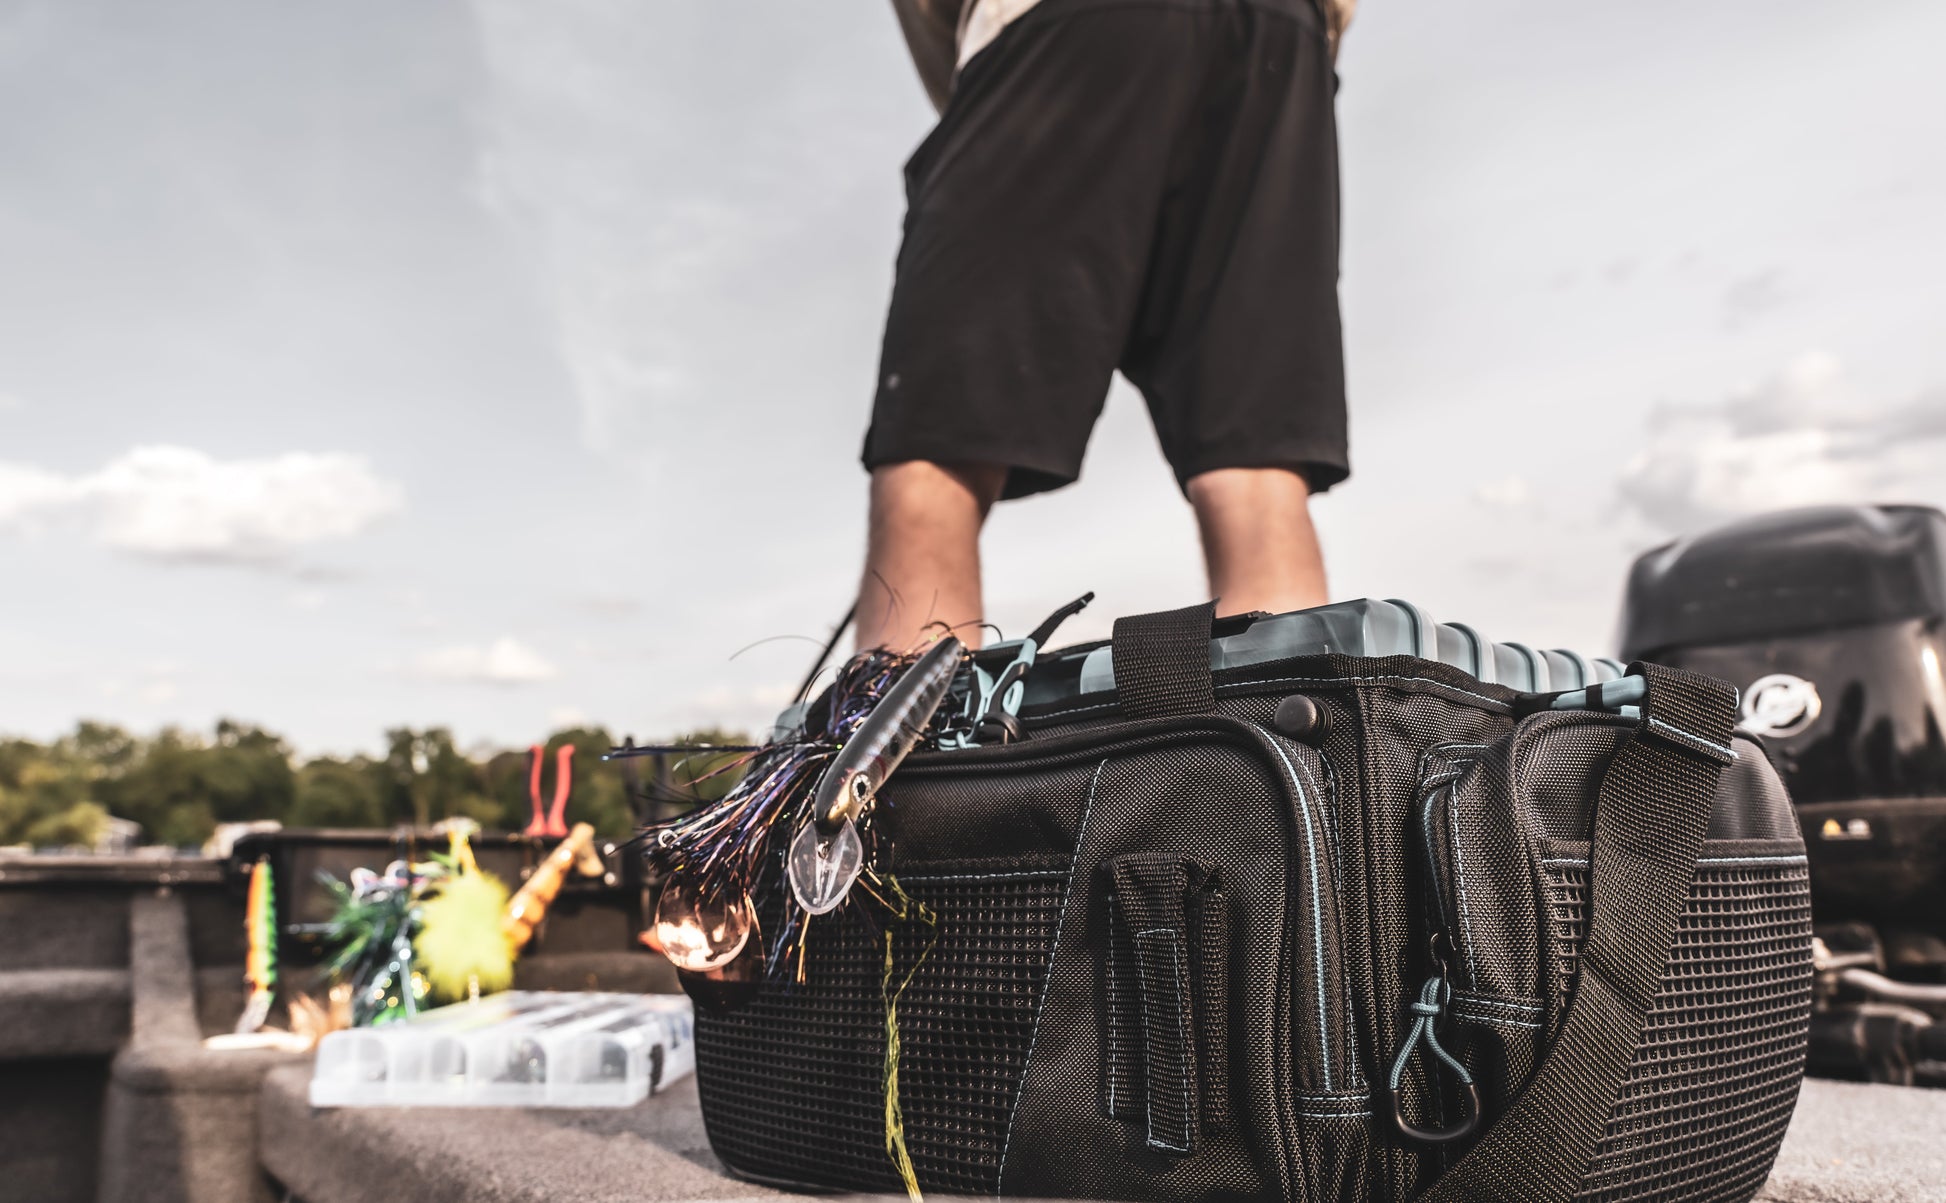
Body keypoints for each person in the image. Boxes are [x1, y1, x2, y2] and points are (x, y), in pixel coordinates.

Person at [859, 0, 1357, 651]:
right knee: (1254, 469)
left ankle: (901, 718)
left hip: (1058, 27)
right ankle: (1290, 714)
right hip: (1282, 33)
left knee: (938, 451)